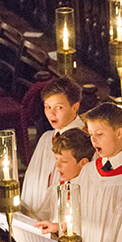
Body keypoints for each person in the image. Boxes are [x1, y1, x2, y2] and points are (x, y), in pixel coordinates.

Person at [61, 102, 122, 242]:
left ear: (119, 133)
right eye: (91, 134)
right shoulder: (89, 170)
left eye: (99, 134)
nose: (93, 140)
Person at [22, 77, 84, 220]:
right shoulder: (46, 139)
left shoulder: (83, 142)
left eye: (59, 107)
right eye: (47, 107)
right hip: (35, 218)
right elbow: (31, 181)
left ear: (75, 107)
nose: (51, 113)